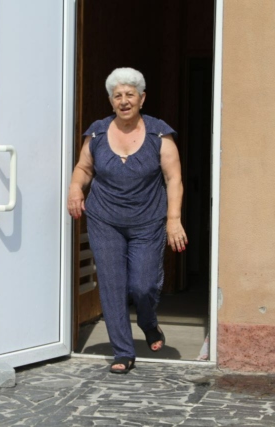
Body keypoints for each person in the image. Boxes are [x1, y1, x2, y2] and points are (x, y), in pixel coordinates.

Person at [67, 67, 187, 374]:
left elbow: (173, 179)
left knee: (143, 285)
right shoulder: (97, 133)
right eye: (117, 95)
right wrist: (75, 188)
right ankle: (123, 351)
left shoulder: (159, 134)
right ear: (111, 101)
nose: (124, 101)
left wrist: (173, 219)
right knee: (112, 285)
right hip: (105, 220)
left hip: (148, 222)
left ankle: (148, 323)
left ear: (142, 98)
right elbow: (84, 168)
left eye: (130, 95)